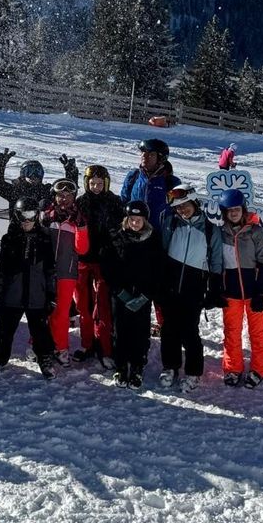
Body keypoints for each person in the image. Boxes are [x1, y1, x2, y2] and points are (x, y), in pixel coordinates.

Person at [157, 185, 224, 392]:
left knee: (189, 331)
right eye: (177, 207)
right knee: (169, 329)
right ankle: (170, 367)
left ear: (195, 203)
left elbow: (216, 261)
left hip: (194, 286)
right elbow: (162, 251)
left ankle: (194, 372)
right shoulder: (171, 223)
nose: (182, 210)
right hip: (170, 282)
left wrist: (214, 288)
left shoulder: (210, 229)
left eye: (185, 205)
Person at [0, 202, 57, 378]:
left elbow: (50, 269)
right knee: (5, 327)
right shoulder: (10, 238)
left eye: (30, 216)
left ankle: (45, 359)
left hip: (36, 291)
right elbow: (1, 269)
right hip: (14, 291)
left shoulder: (44, 237)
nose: (26, 221)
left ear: (36, 216)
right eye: (22, 216)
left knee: (40, 329)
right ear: (16, 216)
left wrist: (51, 294)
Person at [101, 200, 162, 388]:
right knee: (120, 329)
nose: (135, 223)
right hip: (121, 293)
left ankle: (137, 366)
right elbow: (107, 265)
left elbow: (158, 268)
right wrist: (119, 290)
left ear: (145, 220)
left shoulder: (152, 238)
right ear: (126, 219)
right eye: (132, 219)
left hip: (142, 294)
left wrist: (146, 293)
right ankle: (121, 365)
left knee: (140, 330)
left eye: (139, 220)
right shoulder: (116, 236)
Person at [217, 188, 263, 388]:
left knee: (257, 333)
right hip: (231, 292)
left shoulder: (255, 231)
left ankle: (259, 368)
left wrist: (261, 290)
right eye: (229, 210)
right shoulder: (221, 233)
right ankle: (233, 368)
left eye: (237, 209)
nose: (234, 213)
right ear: (224, 212)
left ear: (243, 209)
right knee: (232, 332)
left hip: (254, 290)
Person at [76, 164, 124, 369]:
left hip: (104, 261)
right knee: (84, 306)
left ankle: (105, 348)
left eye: (100, 184)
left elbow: (118, 230)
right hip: (83, 260)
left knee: (102, 306)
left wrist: (112, 251)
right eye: (92, 183)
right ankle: (87, 344)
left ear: (106, 183)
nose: (96, 187)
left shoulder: (114, 202)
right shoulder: (81, 202)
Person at [45, 179, 91, 366]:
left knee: (62, 312)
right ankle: (39, 344)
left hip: (67, 271)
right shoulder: (46, 216)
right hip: (46, 271)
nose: (64, 199)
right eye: (60, 195)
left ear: (74, 197)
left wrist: (80, 226)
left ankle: (61, 348)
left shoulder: (78, 218)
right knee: (44, 310)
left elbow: (82, 249)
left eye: (69, 195)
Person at [120, 138, 180, 230]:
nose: (144, 156)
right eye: (143, 153)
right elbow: (123, 204)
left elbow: (178, 212)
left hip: (158, 236)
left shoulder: (171, 182)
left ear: (160, 159)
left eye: (151, 154)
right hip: (134, 231)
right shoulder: (133, 177)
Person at [0, 152, 79, 211]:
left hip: (41, 233)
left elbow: (68, 192)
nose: (33, 175)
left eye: (37, 172)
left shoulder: (46, 191)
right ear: (22, 174)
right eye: (28, 171)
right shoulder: (15, 190)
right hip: (17, 232)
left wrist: (71, 173)